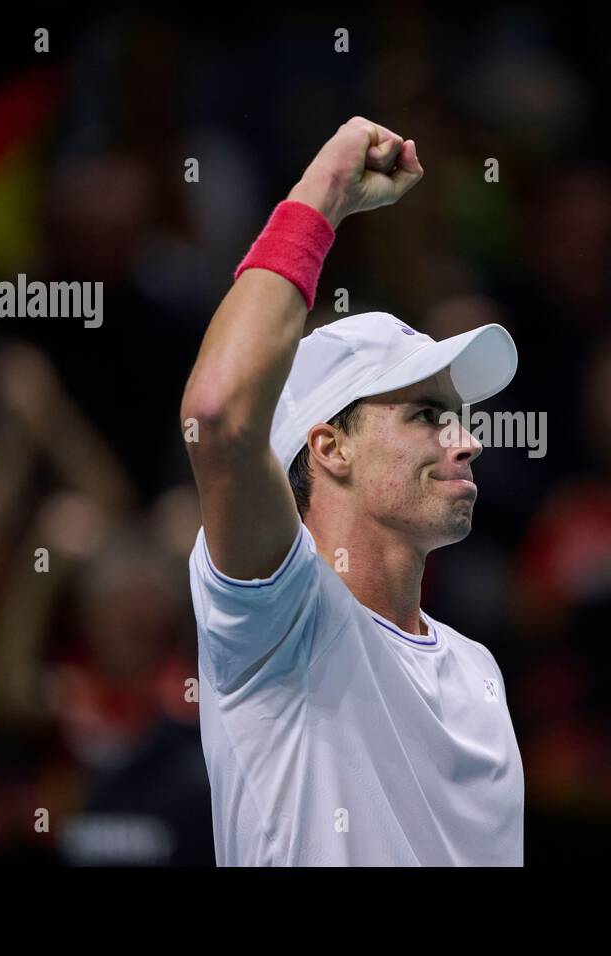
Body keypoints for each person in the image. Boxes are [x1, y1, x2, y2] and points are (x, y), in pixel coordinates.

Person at [180, 117, 524, 865]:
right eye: (428, 416)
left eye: (458, 419)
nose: (466, 440)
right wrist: (323, 193)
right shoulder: (279, 621)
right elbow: (218, 418)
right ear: (330, 447)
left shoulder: (479, 674)